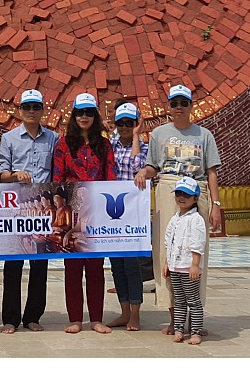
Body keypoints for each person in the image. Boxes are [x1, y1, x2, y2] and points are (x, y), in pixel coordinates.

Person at [135, 83, 222, 337]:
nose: (180, 108)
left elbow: (212, 171)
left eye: (184, 103)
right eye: (175, 103)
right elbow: (153, 166)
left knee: (195, 251)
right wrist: (143, 172)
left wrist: (216, 205)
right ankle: (174, 318)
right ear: (169, 107)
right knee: (167, 253)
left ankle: (195, 318)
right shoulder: (159, 134)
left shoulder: (204, 135)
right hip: (169, 189)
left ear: (191, 106)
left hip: (197, 190)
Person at [51, 92, 114, 335]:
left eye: (89, 112)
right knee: (73, 269)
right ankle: (75, 318)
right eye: (80, 112)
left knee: (96, 269)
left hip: (97, 213)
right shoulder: (64, 145)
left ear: (95, 116)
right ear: (74, 116)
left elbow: (110, 178)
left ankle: (96, 318)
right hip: (73, 213)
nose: (84, 117)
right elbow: (57, 178)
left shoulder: (104, 144)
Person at [0, 88, 58, 334]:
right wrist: (15, 175)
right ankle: (10, 319)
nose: (31, 112)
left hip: (43, 210)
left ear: (43, 110)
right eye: (27, 107)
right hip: (17, 207)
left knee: (39, 264)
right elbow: (2, 174)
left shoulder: (53, 138)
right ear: (20, 111)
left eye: (36, 107)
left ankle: (33, 315)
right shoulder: (9, 138)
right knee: (13, 263)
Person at [106, 100, 148, 331]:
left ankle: (135, 314)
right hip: (112, 213)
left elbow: (136, 167)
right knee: (117, 266)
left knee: (132, 265)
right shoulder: (108, 145)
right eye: (120, 123)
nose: (124, 127)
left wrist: (134, 136)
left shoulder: (142, 146)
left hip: (133, 214)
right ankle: (123, 312)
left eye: (129, 123)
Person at [163, 176, 208, 346]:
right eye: (179, 194)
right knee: (179, 301)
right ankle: (179, 329)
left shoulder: (196, 219)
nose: (181, 198)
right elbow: (169, 242)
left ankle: (195, 331)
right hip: (175, 267)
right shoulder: (175, 219)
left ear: (195, 198)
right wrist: (168, 263)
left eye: (186, 195)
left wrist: (195, 264)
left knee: (193, 301)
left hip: (189, 267)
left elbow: (198, 243)